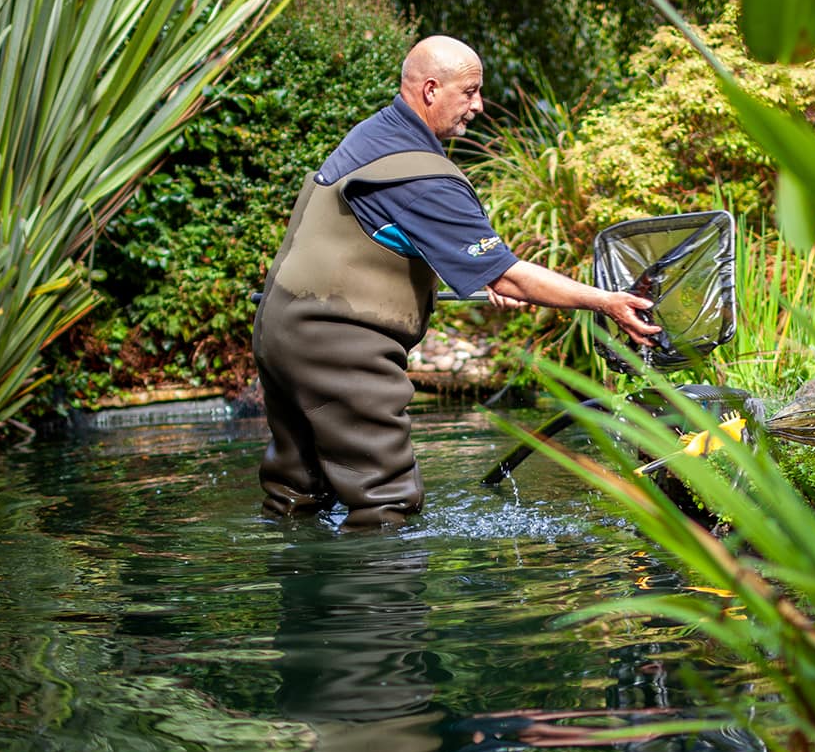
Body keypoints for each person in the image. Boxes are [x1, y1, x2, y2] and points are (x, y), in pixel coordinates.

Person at [253, 35, 659, 529]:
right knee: (386, 503)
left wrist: (479, 272)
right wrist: (605, 301)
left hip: (280, 330)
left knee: (296, 494)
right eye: (469, 92)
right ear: (429, 90)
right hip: (339, 347)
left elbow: (384, 233)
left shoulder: (376, 135)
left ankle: (296, 587)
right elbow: (512, 279)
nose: (478, 106)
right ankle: (379, 606)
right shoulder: (422, 178)